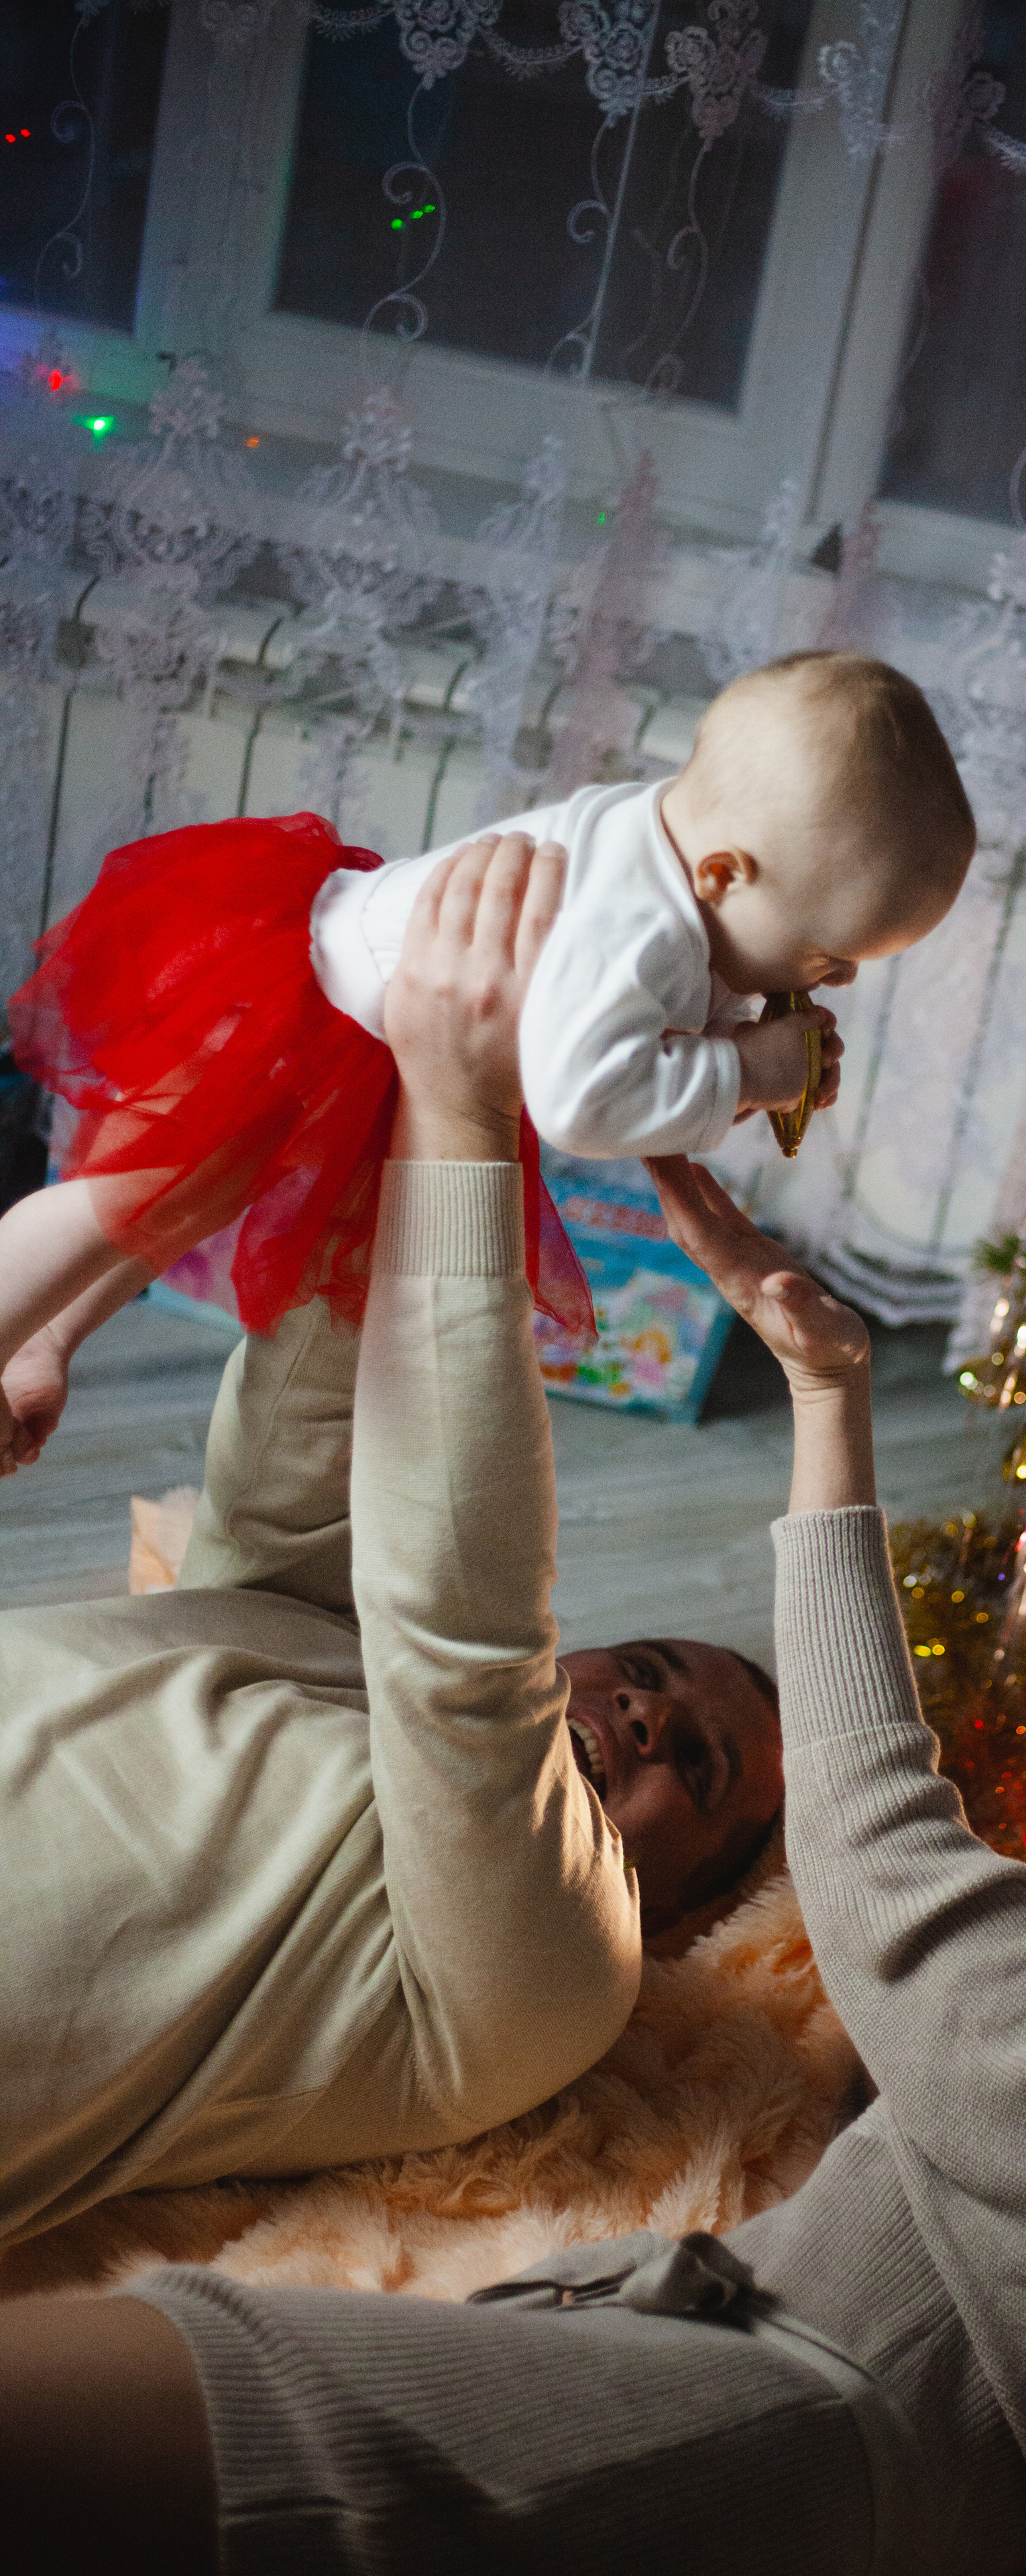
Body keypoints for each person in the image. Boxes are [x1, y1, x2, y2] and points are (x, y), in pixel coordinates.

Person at [0, 979, 1026, 2575]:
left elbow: (842, 1836)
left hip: (701, 2430)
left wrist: (822, 1391)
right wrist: (414, 1085)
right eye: (643, 1676)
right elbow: (338, 1500)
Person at [0, 839, 785, 2252]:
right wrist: (413, 979)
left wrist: (463, 1110)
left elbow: (465, 1638)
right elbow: (333, 1332)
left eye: (695, 1768)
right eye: (650, 1674)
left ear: (683, 1919)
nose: (647, 1716)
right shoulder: (300, 1633)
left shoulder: (551, 1983)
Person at [0, 649, 975, 1468]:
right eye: (826, 953)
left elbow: (646, 1037)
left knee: (195, 1196)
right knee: (130, 1191)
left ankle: (46, 1331)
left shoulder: (686, 861)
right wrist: (752, 1072)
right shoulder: (632, 922)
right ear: (724, 874)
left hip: (350, 1024)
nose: (835, 979)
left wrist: (744, 1058)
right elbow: (585, 1101)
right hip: (293, 997)